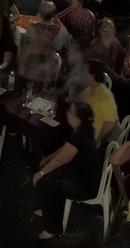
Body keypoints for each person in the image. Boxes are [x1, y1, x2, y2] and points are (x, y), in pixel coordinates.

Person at [31, 100, 102, 239]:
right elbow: (65, 149)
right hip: (81, 177)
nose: (67, 113)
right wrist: (48, 158)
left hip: (84, 187)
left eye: (71, 112)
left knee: (43, 183)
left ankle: (53, 228)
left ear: (78, 119)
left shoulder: (81, 137)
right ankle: (47, 208)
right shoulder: (83, 132)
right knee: (49, 174)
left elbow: (62, 159)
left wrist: (41, 172)